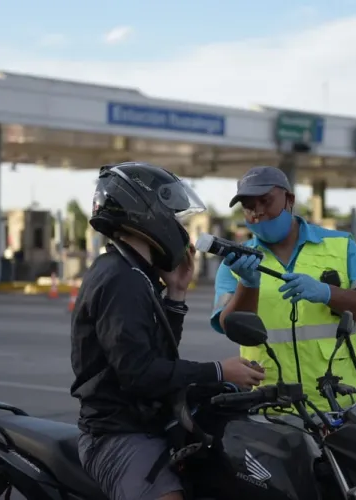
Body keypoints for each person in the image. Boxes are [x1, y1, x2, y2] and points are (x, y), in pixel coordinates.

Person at [71, 162, 266, 500]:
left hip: (147, 422)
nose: (178, 226)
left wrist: (176, 293)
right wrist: (219, 370)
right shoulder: (121, 279)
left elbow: (157, 355)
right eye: (173, 215)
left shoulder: (134, 272)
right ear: (144, 211)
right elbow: (140, 373)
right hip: (118, 434)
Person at [210, 166, 356, 410]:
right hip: (272, 407)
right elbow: (230, 328)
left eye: (265, 201)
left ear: (289, 200)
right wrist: (247, 283)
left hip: (343, 403)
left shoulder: (341, 246)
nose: (258, 212)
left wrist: (327, 293)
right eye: (249, 206)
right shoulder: (235, 264)